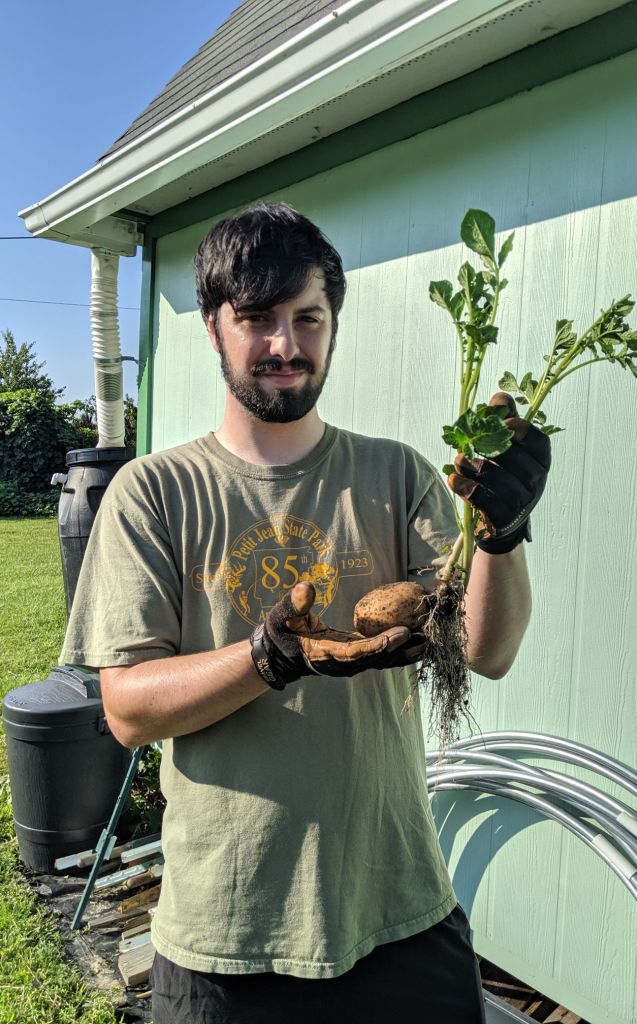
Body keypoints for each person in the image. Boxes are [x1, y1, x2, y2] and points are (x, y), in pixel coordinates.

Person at [60, 202, 550, 1023]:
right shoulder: (156, 493)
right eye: (256, 318)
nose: (285, 345)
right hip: (227, 937)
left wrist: (504, 532)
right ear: (214, 329)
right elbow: (127, 708)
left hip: (400, 911)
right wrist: (268, 657)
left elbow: (485, 649)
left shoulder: (395, 475)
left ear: (332, 327)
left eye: (307, 319)